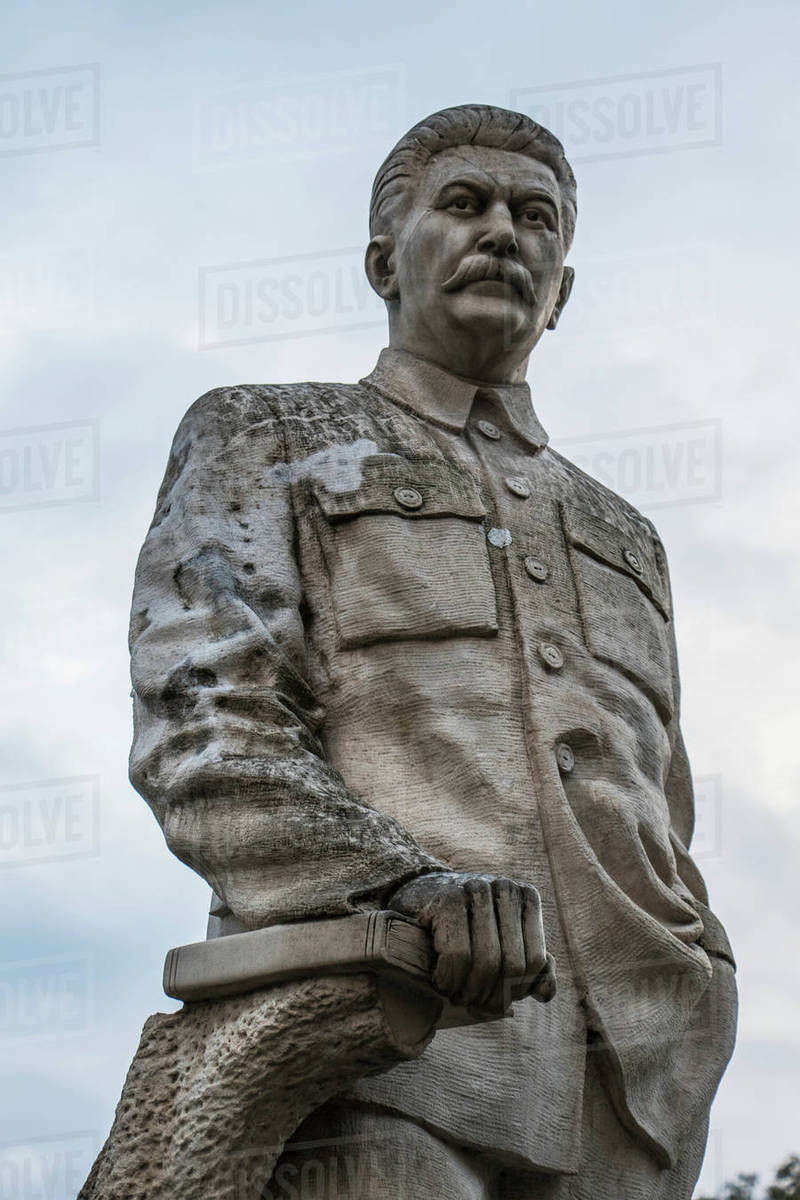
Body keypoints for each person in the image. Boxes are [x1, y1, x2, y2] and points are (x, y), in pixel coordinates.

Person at [128, 105, 736, 1199]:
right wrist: (399, 886)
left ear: (562, 290)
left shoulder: (628, 534)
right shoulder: (268, 436)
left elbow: (661, 803)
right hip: (388, 1035)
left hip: (639, 1093)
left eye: (535, 217)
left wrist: (707, 969)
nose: (502, 231)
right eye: (464, 204)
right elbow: (206, 721)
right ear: (383, 262)